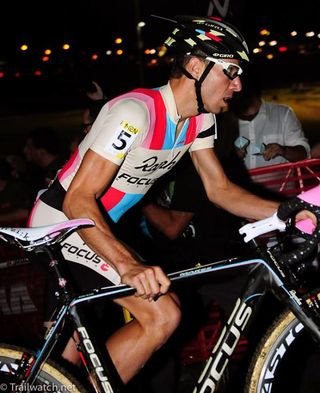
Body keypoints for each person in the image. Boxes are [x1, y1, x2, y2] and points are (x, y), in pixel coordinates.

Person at [27, 15, 308, 387]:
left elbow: (220, 190)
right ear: (195, 66)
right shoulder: (135, 113)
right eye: (231, 71)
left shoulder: (199, 121)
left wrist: (295, 212)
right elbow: (78, 199)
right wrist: (129, 266)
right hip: (63, 225)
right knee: (162, 314)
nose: (238, 85)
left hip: (93, 228)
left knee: (59, 370)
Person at [221, 70, 310, 170]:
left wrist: (283, 150)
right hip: (238, 185)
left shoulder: (283, 114)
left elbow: (303, 154)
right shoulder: (223, 121)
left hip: (280, 185)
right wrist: (231, 158)